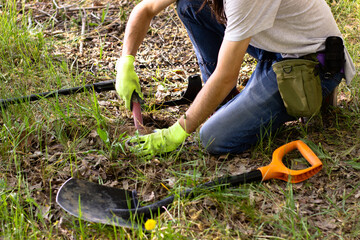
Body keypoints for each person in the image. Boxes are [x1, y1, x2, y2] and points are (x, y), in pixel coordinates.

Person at [115, 0, 356, 156]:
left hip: (309, 60)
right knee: (190, 5)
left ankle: (316, 92)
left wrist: (177, 131)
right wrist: (125, 62)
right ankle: (224, 103)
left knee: (213, 138)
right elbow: (145, 9)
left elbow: (226, 76)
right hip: (274, 40)